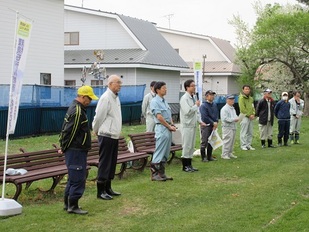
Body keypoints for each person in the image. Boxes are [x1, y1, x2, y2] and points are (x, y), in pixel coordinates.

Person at [59, 85, 99, 215]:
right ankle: (73, 206)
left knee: (73, 177)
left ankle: (68, 204)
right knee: (78, 178)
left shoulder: (77, 108)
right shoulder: (77, 111)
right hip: (76, 150)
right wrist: (64, 147)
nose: (91, 101)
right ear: (83, 97)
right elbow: (69, 132)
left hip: (76, 149)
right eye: (89, 98)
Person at [92, 75, 122, 200]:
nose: (120, 85)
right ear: (110, 84)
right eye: (117, 83)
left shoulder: (116, 98)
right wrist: (95, 129)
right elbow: (99, 116)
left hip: (114, 135)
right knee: (105, 162)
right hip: (106, 134)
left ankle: (108, 187)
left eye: (120, 83)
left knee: (112, 162)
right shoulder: (105, 98)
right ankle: (100, 190)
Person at [150, 81, 176, 181]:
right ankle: (154, 174)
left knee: (165, 152)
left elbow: (168, 115)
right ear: (157, 90)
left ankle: (162, 173)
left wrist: (172, 124)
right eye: (164, 88)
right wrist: (169, 126)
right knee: (160, 151)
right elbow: (159, 117)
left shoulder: (164, 101)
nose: (166, 89)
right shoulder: (155, 101)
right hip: (161, 128)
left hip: (168, 128)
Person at [179, 79, 206, 172]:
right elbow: (187, 111)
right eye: (192, 86)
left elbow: (196, 112)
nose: (194, 87)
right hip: (187, 125)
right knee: (186, 145)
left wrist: (200, 121)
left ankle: (189, 164)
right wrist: (195, 105)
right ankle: (185, 165)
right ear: (187, 87)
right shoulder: (184, 98)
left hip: (193, 124)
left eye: (194, 86)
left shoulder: (193, 97)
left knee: (191, 145)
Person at [199, 90, 219, 162]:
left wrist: (216, 122)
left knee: (211, 141)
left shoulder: (214, 104)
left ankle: (209, 156)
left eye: (213, 95)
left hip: (213, 125)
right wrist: (212, 122)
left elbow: (216, 114)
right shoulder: (203, 106)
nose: (212, 96)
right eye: (210, 95)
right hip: (206, 125)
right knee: (204, 141)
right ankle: (203, 157)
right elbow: (204, 117)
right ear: (206, 96)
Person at [220, 94, 239, 160]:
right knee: (227, 140)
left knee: (232, 141)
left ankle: (230, 153)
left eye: (233, 99)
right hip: (227, 127)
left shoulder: (232, 108)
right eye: (230, 99)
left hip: (233, 126)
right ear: (227, 100)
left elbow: (235, 115)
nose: (232, 101)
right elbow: (225, 118)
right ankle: (224, 154)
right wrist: (234, 119)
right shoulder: (224, 109)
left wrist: (237, 118)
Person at [239, 85, 256, 150]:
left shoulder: (251, 98)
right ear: (243, 90)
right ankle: (243, 145)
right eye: (246, 89)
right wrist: (249, 115)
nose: (247, 90)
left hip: (251, 117)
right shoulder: (241, 98)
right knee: (244, 131)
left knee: (250, 132)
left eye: (248, 89)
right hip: (244, 116)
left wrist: (253, 114)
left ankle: (248, 145)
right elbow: (242, 109)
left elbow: (253, 107)